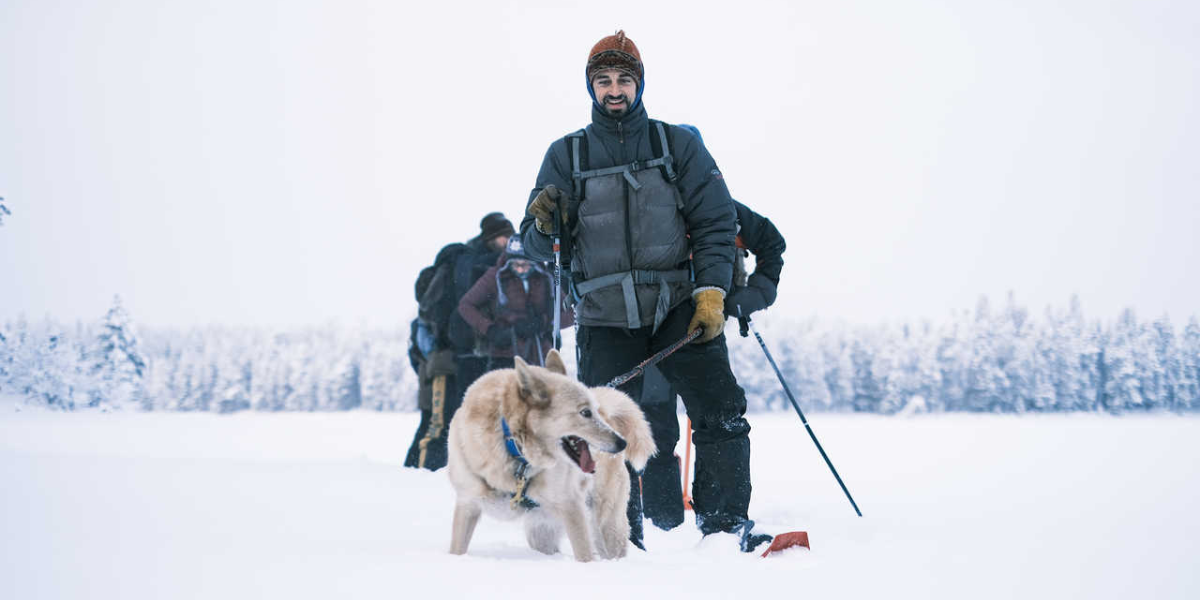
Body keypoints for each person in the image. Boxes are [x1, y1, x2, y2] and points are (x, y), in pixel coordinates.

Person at [518, 30, 771, 552]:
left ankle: (724, 530)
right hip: (604, 315)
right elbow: (538, 246)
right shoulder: (566, 154)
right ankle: (618, 540)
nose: (615, 90)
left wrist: (712, 293)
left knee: (720, 407)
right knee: (604, 430)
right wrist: (543, 226)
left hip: (678, 304)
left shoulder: (676, 145)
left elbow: (716, 223)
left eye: (624, 79)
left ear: (640, 83)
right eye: (604, 80)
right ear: (591, 87)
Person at [635, 124, 787, 528]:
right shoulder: (647, 208)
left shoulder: (726, 208)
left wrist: (752, 295)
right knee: (655, 422)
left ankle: (717, 524)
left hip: (703, 324)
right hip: (651, 325)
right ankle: (662, 517)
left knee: (715, 414)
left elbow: (772, 245)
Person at [404, 212, 514, 471]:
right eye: (503, 237)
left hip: (456, 356)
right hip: (444, 357)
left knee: (448, 422)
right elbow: (459, 312)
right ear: (491, 237)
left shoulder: (473, 262)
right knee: (437, 423)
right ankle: (416, 476)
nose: (508, 242)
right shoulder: (468, 263)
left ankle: (425, 473)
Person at [457, 237, 573, 371]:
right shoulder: (494, 276)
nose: (520, 269)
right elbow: (465, 305)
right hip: (504, 354)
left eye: (525, 264)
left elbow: (571, 314)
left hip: (541, 353)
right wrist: (491, 330)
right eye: (515, 265)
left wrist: (545, 323)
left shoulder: (546, 277)